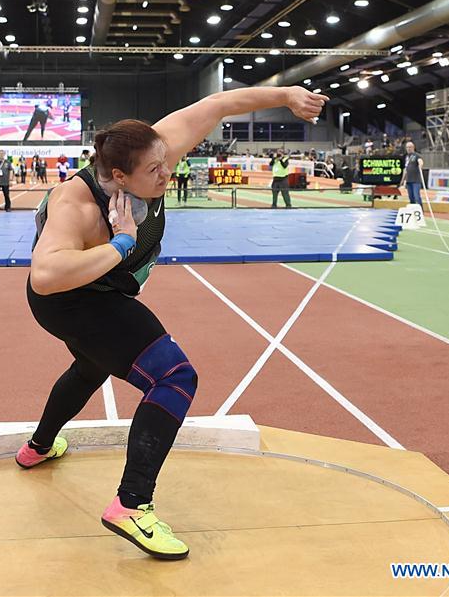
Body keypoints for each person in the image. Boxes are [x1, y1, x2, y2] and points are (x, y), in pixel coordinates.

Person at [21, 85, 327, 560]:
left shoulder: (153, 148)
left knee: (90, 366)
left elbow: (218, 105)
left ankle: (38, 447)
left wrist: (287, 93)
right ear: (119, 176)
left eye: (167, 161)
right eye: (155, 170)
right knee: (174, 376)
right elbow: (44, 277)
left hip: (102, 290)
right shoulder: (75, 204)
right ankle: (131, 504)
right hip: (72, 299)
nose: (169, 172)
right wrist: (122, 243)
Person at [400, 140, 424, 206]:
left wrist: (420, 165)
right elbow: (405, 170)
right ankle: (413, 210)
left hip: (416, 181)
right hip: (408, 181)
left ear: (413, 147)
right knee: (411, 197)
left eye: (410, 147)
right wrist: (402, 181)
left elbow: (420, 161)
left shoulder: (416, 155)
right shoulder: (407, 157)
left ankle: (420, 210)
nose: (408, 149)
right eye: (407, 147)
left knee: (417, 196)